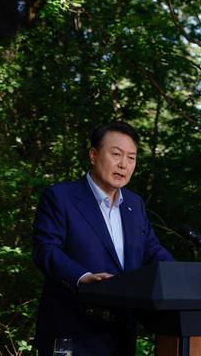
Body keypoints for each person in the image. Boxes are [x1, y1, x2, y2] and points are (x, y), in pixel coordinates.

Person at [32, 121, 174, 356]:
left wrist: (181, 278)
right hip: (73, 333)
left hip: (121, 334)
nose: (123, 165)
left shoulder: (134, 204)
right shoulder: (60, 197)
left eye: (131, 158)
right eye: (116, 154)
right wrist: (83, 277)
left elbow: (153, 250)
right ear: (93, 154)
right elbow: (45, 250)